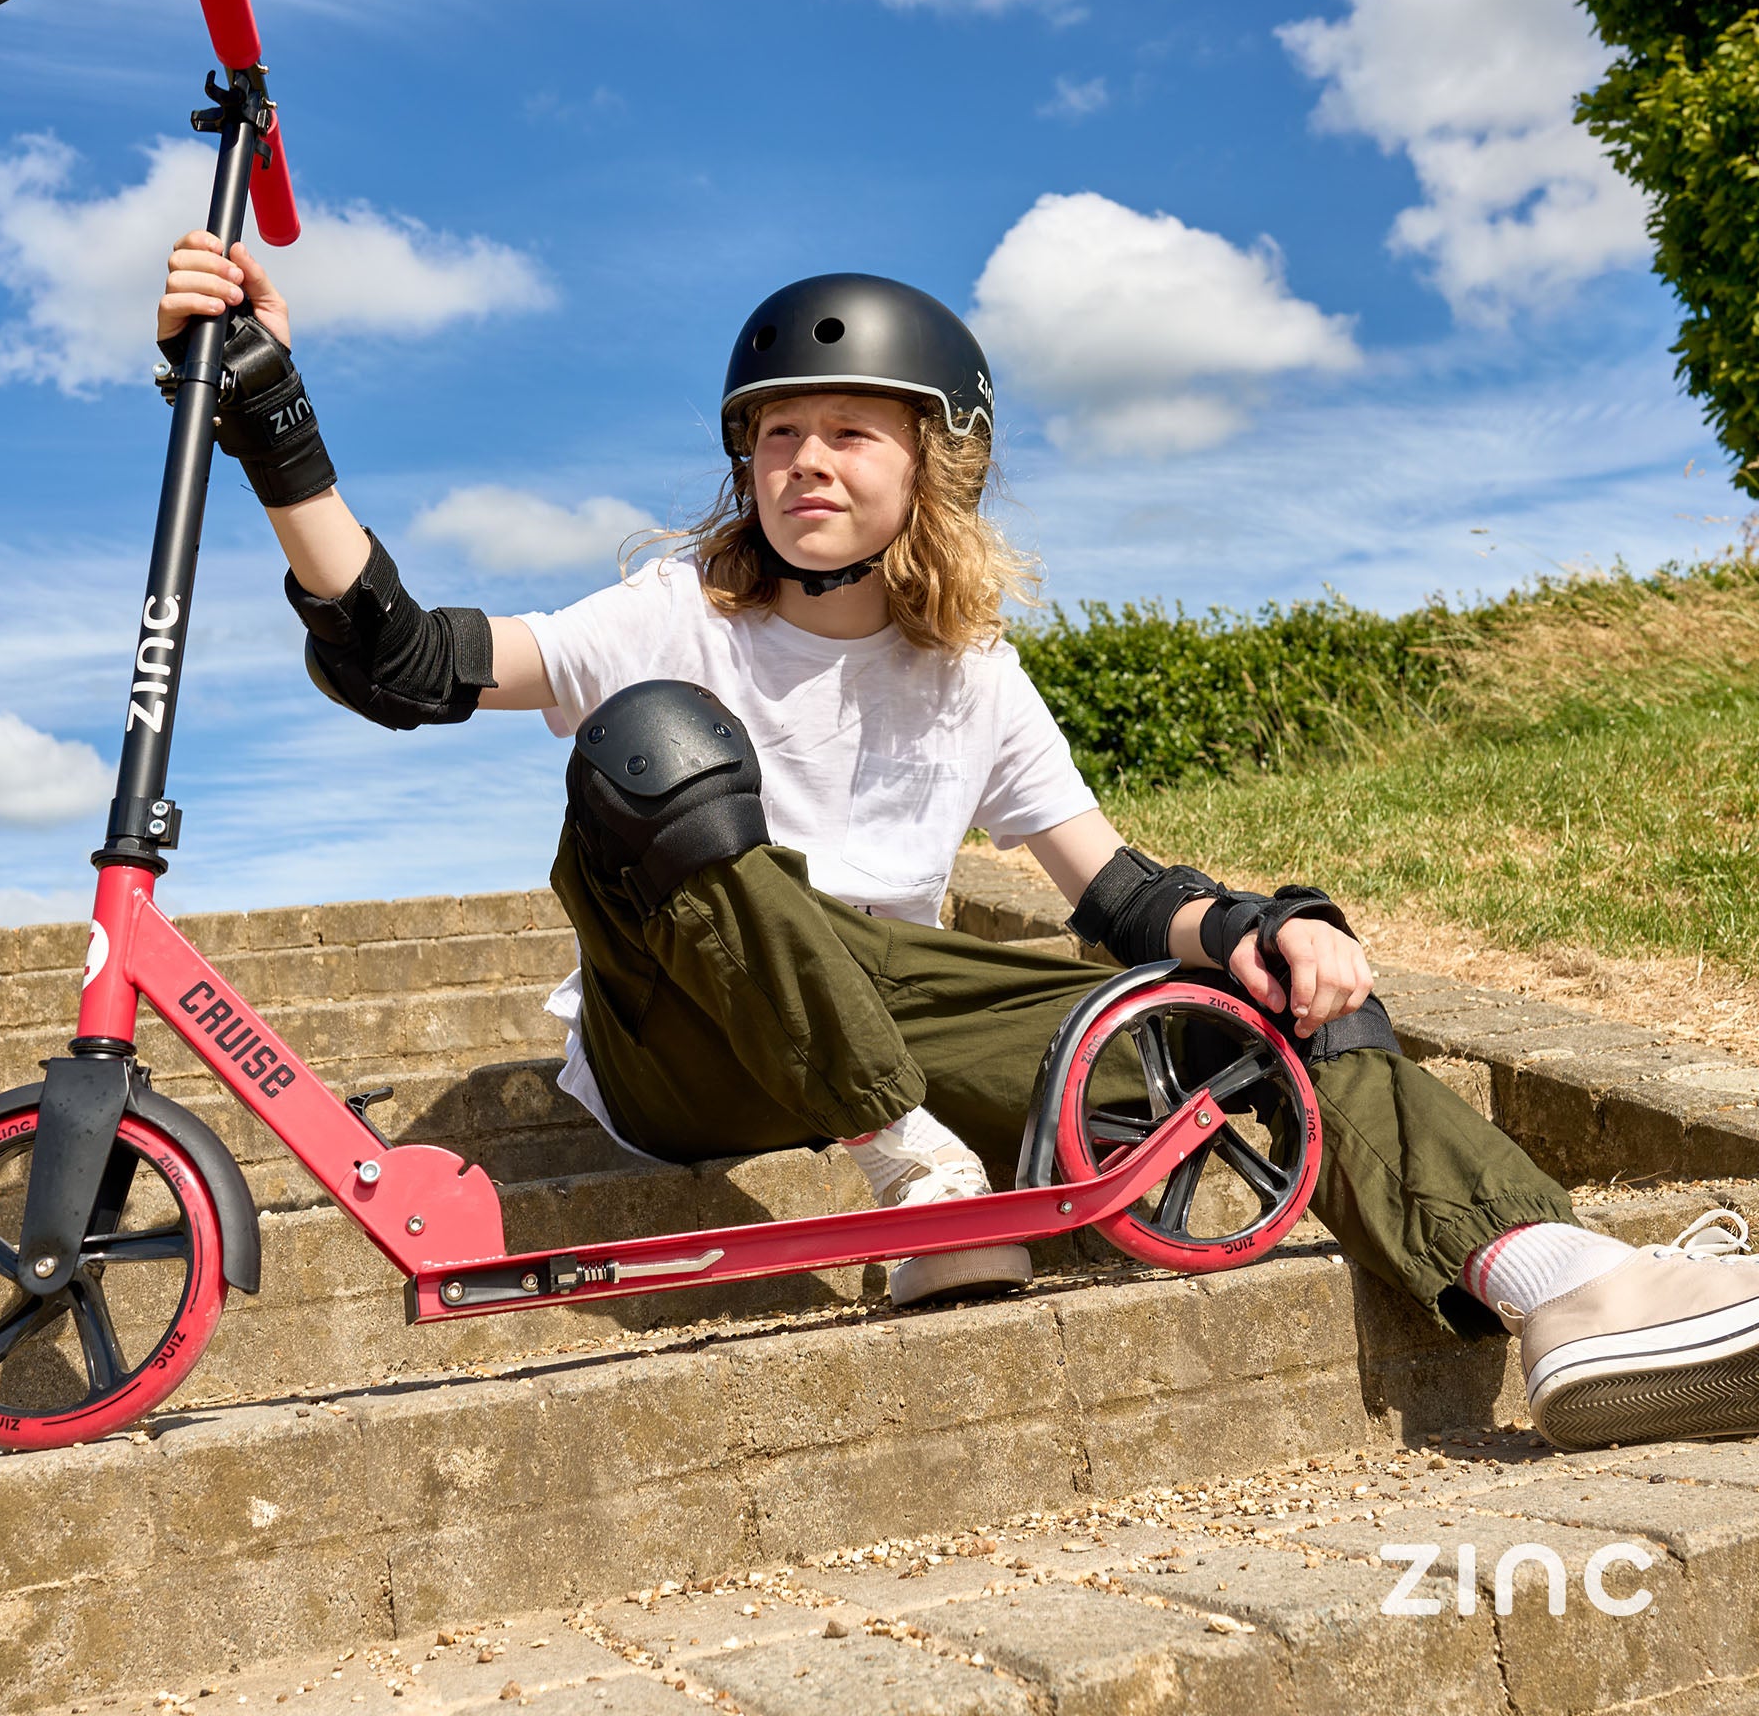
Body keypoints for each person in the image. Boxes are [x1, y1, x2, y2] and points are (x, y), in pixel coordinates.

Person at [155, 229, 1759, 1451]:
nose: (805, 463)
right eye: (778, 434)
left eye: (851, 434)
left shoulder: (970, 674)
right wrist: (276, 427)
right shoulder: (665, 616)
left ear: (934, 464)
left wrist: (1264, 932)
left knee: (1266, 1005)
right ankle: (912, 1175)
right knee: (659, 746)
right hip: (686, 1054)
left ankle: (1557, 1286)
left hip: (897, 1012)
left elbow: (1117, 892)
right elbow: (407, 663)